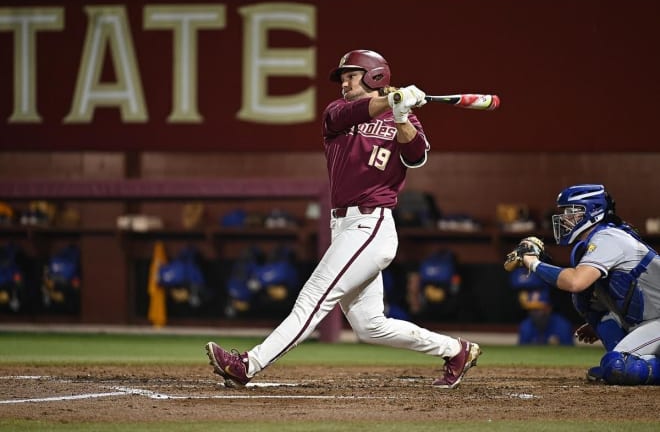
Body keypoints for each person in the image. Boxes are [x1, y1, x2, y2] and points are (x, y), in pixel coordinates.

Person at [205, 49, 481, 389]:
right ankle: (455, 350)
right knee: (370, 326)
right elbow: (354, 113)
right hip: (344, 227)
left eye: (351, 76)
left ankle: (247, 365)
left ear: (374, 76)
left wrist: (402, 115)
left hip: (372, 225)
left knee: (313, 298)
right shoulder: (337, 113)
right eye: (344, 77)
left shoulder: (401, 117)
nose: (344, 83)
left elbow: (416, 156)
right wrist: (393, 99)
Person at [516, 183, 660, 384]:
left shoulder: (608, 238)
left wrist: (533, 263)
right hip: (650, 320)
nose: (565, 218)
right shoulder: (599, 239)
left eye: (571, 212)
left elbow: (575, 281)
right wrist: (602, 321)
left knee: (617, 366)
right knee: (585, 301)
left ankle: (632, 365)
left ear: (593, 212)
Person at [509, 268, 574, 346]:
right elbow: (521, 352)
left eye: (538, 309)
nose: (534, 313)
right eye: (531, 309)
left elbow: (570, 351)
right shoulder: (526, 326)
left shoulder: (563, 326)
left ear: (548, 309)